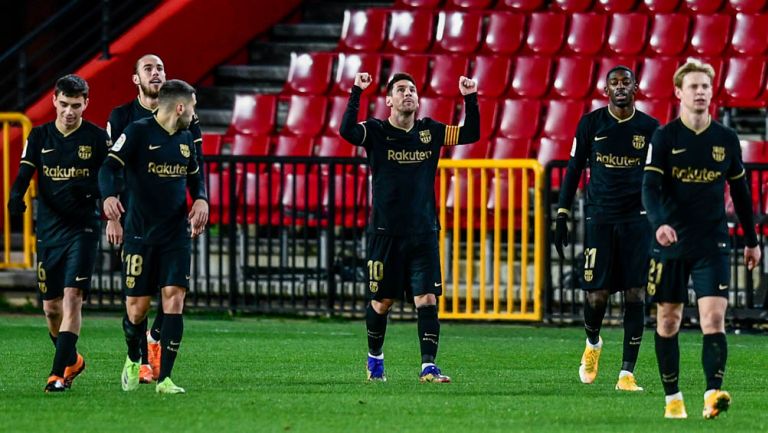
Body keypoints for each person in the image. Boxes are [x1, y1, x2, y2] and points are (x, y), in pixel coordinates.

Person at [340, 72, 479, 383]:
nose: (408, 93)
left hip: (423, 231)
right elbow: (347, 130)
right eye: (400, 89)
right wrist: (356, 92)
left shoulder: (431, 131)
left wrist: (470, 97)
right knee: (382, 302)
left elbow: (471, 133)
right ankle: (375, 358)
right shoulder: (375, 131)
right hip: (385, 233)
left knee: (427, 298)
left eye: (413, 89)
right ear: (388, 100)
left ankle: (428, 366)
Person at [642, 59, 761, 419]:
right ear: (679, 92)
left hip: (712, 242)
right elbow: (649, 187)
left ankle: (712, 394)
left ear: (712, 92)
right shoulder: (665, 137)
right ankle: (672, 398)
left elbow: (740, 194)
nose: (700, 92)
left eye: (705, 86)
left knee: (713, 319)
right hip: (670, 243)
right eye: (693, 86)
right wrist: (659, 223)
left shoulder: (725, 140)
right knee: (668, 321)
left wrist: (752, 241)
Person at [554, 66, 660, 391]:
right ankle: (593, 343)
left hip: (637, 220)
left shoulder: (650, 128)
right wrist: (561, 212)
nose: (620, 87)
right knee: (596, 295)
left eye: (625, 82)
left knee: (636, 293)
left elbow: (658, 176)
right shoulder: (591, 124)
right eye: (614, 82)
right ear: (606, 90)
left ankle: (627, 374)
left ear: (636, 87)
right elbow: (573, 168)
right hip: (599, 218)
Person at [99, 79, 209, 394]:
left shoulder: (186, 138)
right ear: (179, 107)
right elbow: (107, 168)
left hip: (175, 234)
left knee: (174, 298)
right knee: (136, 308)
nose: (194, 112)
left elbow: (195, 176)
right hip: (139, 233)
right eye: (193, 106)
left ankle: (166, 379)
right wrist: (108, 197)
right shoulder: (137, 132)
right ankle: (135, 357)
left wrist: (200, 198)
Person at [7, 74, 110, 392]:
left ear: (85, 104)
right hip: (49, 231)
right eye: (64, 104)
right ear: (54, 101)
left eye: (76, 106)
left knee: (72, 299)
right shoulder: (39, 136)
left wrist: (96, 194)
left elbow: (109, 179)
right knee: (51, 308)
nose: (69, 111)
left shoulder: (95, 138)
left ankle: (57, 375)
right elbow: (25, 171)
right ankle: (73, 360)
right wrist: (15, 197)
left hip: (83, 228)